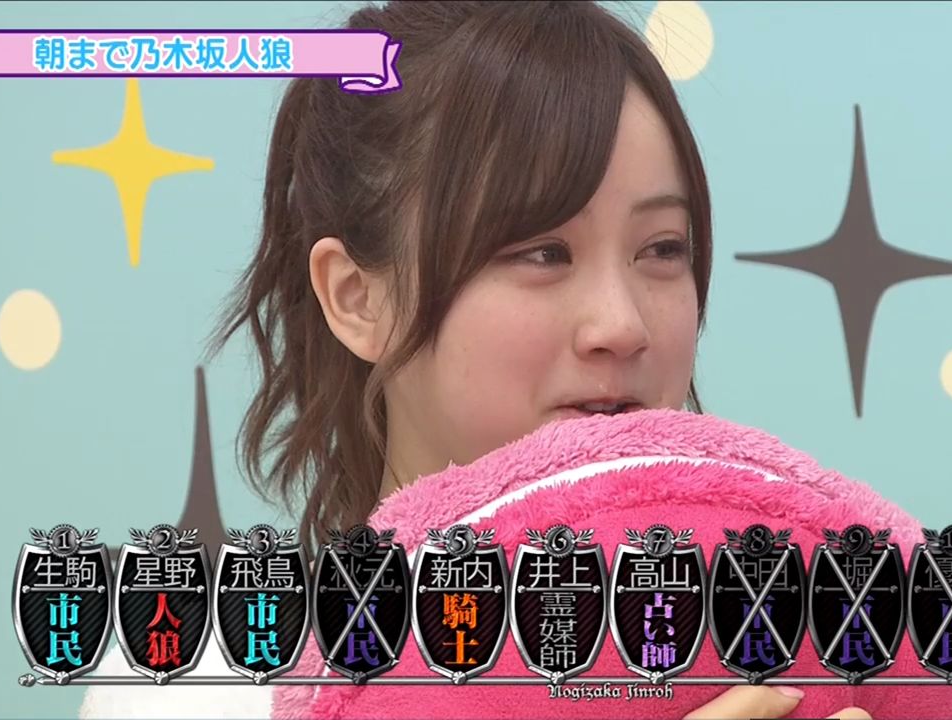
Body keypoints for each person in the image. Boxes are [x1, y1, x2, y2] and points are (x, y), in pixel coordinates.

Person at [209, 2, 882, 717]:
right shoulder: (217, 681)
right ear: (358, 299)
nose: (622, 326)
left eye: (662, 248)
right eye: (543, 253)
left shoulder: (819, 631)